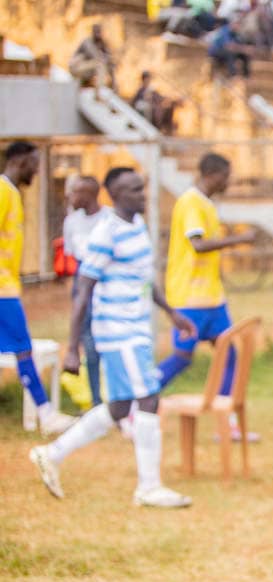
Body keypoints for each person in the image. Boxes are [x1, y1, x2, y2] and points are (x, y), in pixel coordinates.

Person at [28, 167, 197, 508]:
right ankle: (148, 487)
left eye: (142, 187)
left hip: (137, 326)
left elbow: (144, 278)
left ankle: (52, 453)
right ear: (116, 195)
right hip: (117, 331)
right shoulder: (106, 233)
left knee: (121, 407)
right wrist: (72, 347)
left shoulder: (137, 224)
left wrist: (171, 312)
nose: (142, 194)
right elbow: (83, 291)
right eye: (134, 190)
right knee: (149, 398)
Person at [155, 153, 257, 442]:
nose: (229, 181)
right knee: (182, 358)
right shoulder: (190, 202)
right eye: (227, 175)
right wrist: (239, 239)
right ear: (213, 174)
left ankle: (227, 425)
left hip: (212, 298)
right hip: (189, 297)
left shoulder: (206, 204)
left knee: (229, 354)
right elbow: (198, 245)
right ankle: (138, 400)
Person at [0, 141, 77, 436]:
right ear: (20, 160)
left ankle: (45, 413)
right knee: (22, 348)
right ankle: (45, 414)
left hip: (8, 285)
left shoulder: (13, 193)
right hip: (2, 290)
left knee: (21, 348)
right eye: (34, 162)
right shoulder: (4, 190)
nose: (37, 169)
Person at [62, 175, 113, 408]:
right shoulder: (71, 221)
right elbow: (72, 255)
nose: (70, 197)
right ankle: (96, 401)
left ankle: (118, 398)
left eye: (75, 192)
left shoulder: (110, 219)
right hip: (82, 280)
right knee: (89, 342)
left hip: (107, 282)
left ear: (89, 194)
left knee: (109, 340)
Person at [69, 24, 116, 89]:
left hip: (85, 70)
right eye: (96, 32)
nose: (98, 34)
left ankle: (110, 88)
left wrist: (113, 81)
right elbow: (94, 56)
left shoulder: (100, 43)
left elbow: (109, 61)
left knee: (106, 65)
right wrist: (102, 49)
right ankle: (100, 91)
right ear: (93, 32)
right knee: (100, 65)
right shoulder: (87, 42)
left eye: (99, 32)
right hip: (76, 67)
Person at [131, 71, 179, 135]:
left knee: (166, 108)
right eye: (147, 78)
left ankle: (166, 128)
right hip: (146, 108)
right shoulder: (141, 90)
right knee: (155, 109)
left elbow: (158, 97)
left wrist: (168, 99)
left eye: (149, 79)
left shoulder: (151, 89)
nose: (148, 80)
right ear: (144, 79)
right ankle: (156, 128)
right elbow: (136, 101)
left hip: (154, 106)